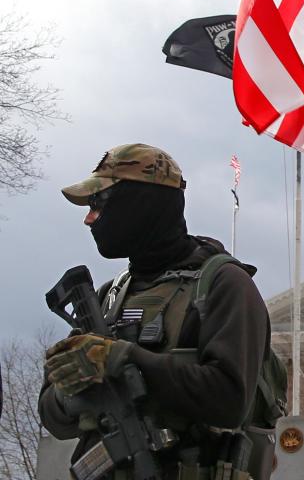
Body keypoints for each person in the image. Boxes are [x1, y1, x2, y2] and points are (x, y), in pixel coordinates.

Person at [38, 143, 273, 479]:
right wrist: (73, 388)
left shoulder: (223, 285)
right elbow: (53, 418)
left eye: (98, 203)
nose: (89, 218)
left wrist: (124, 359)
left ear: (138, 205)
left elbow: (229, 401)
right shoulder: (110, 297)